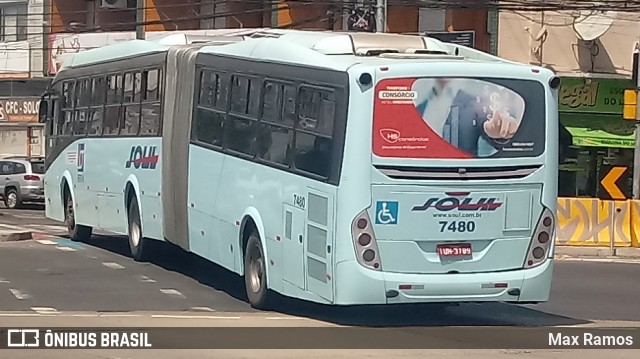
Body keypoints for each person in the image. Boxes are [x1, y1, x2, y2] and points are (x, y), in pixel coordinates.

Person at [414, 78, 521, 157]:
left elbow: (486, 122)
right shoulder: (420, 107)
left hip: (461, 176)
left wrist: (500, 132)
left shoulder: (474, 101)